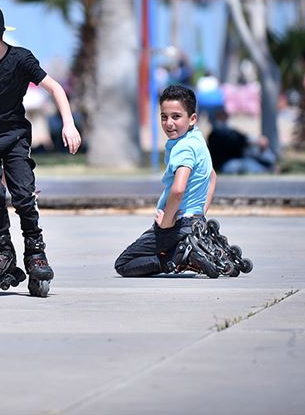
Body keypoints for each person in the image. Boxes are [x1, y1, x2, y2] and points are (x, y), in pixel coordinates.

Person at [0, 1, 82, 297]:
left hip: (14, 139)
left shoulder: (21, 60)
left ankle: (35, 250)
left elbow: (56, 88)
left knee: (23, 195)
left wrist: (69, 124)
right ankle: (3, 249)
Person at [114, 85, 219, 278]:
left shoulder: (183, 148)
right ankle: (187, 251)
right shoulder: (196, 138)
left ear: (192, 119)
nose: (169, 123)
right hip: (194, 220)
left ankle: (176, 259)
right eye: (164, 117)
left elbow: (178, 190)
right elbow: (211, 177)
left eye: (176, 117)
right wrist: (200, 213)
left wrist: (166, 221)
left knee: (124, 264)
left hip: (176, 224)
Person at [208, 109, 276, 175]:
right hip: (225, 164)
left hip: (238, 159)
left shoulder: (231, 132)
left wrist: (258, 141)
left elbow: (244, 138)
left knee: (255, 151)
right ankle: (267, 169)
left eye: (225, 116)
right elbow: (231, 143)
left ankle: (269, 165)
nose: (224, 119)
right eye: (221, 116)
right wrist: (249, 142)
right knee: (245, 164)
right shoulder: (214, 135)